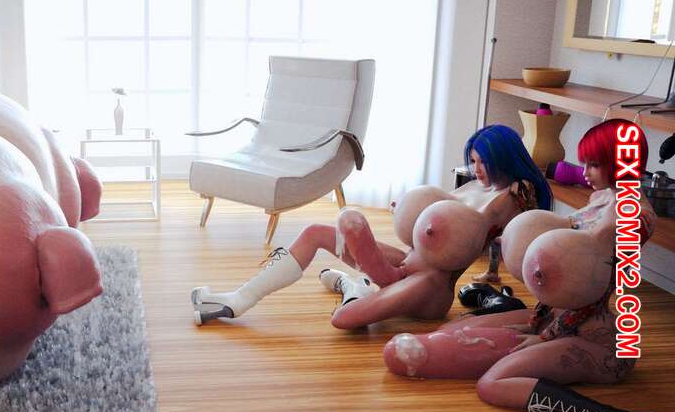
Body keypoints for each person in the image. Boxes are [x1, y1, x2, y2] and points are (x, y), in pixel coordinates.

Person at [383, 119, 672, 412]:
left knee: (492, 384)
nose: (584, 173)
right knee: (452, 330)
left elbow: (594, 291)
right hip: (556, 317)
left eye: (594, 165)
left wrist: (544, 337)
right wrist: (537, 322)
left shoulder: (629, 218)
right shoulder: (601, 200)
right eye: (585, 163)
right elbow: (566, 272)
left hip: (596, 338)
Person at [191, 124, 552, 329]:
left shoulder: (514, 195)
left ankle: (354, 285)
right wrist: (411, 210)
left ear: (503, 156)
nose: (477, 169)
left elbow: (516, 232)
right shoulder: (476, 186)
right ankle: (239, 299)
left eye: (483, 161)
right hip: (407, 262)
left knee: (345, 319)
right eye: (473, 161)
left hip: (431, 285)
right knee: (316, 232)